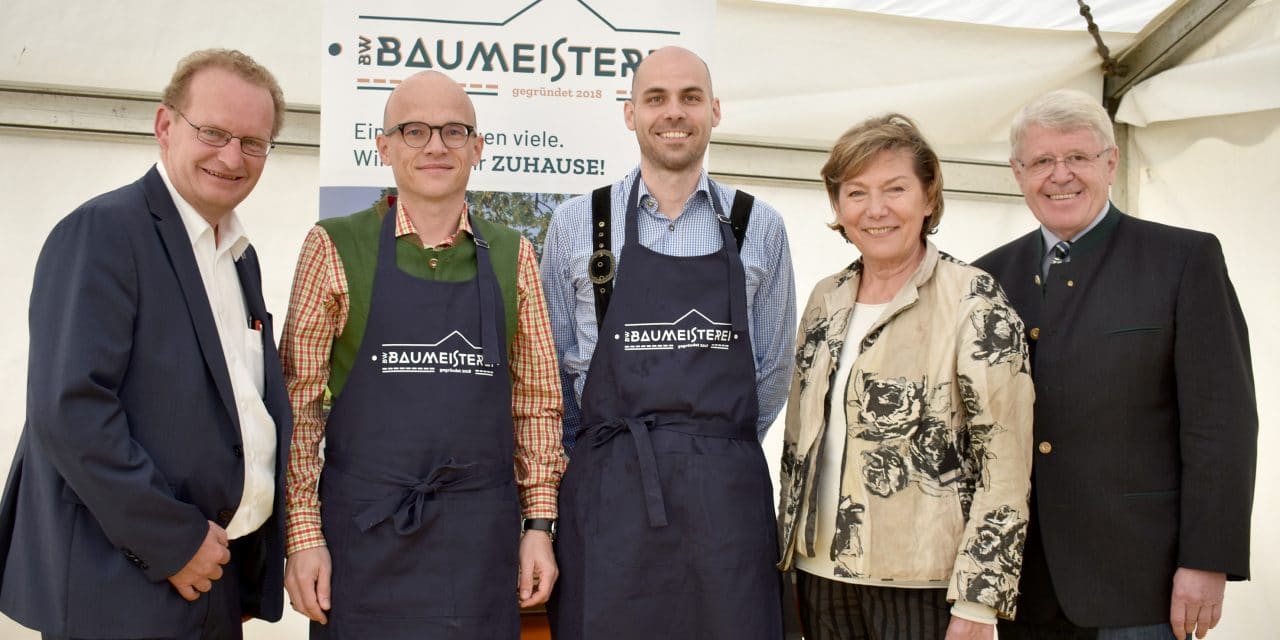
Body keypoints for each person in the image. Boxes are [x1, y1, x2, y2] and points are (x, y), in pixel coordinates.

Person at [0, 49, 291, 639]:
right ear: (165, 126)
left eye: (253, 142)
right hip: (128, 584)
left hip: (213, 580)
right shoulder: (105, 232)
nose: (232, 157)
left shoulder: (240, 257)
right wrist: (175, 541)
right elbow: (70, 411)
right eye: (213, 132)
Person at [280, 70, 566, 639]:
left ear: (477, 148)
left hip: (480, 544)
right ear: (383, 145)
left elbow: (537, 405)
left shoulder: (515, 255)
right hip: (364, 538)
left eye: (454, 131)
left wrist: (538, 524)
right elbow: (298, 408)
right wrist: (304, 536)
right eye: (414, 131)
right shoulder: (333, 246)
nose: (435, 145)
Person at [973, 89, 1257, 640]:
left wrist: (1208, 559)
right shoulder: (985, 279)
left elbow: (1221, 423)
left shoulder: (1183, 259)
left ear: (1110, 162)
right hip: (1022, 584)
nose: (1061, 175)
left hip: (1141, 580)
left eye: (1077, 157)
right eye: (1041, 161)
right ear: (1017, 172)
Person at [541, 46, 797, 639]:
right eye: (655, 98)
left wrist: (709, 449)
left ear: (714, 111)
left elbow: (774, 370)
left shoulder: (760, 225)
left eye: (690, 98)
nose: (673, 113)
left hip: (725, 506)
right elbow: (551, 374)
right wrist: (603, 461)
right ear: (630, 113)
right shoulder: (580, 221)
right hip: (607, 501)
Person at [777, 114, 1034, 640]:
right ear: (838, 206)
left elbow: (1004, 461)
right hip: (818, 580)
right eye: (856, 193)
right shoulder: (826, 299)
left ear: (928, 197)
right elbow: (798, 441)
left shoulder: (973, 297)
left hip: (925, 585)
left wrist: (979, 602)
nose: (876, 210)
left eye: (895, 189)